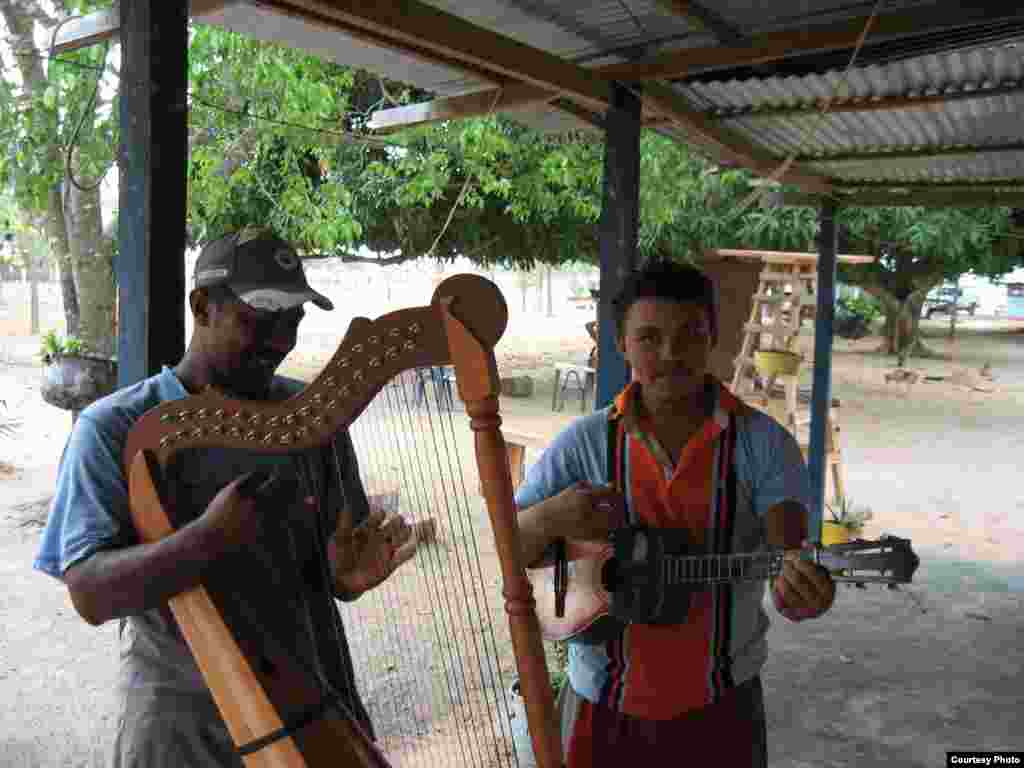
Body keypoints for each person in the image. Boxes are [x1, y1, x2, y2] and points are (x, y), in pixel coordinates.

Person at [34, 227, 417, 767]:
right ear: (201, 306)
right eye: (260, 319)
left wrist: (347, 578)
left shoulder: (311, 417)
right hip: (183, 736)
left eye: (294, 319)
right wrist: (206, 541)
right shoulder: (114, 429)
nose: (281, 339)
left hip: (312, 721)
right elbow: (90, 595)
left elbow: (333, 575)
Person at [515, 259, 836, 767]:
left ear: (713, 338)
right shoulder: (584, 444)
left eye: (689, 335)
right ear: (619, 343)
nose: (670, 354)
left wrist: (800, 590)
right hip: (603, 702)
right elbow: (510, 544)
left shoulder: (763, 444)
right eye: (649, 338)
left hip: (722, 707)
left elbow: (788, 560)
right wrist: (551, 517)